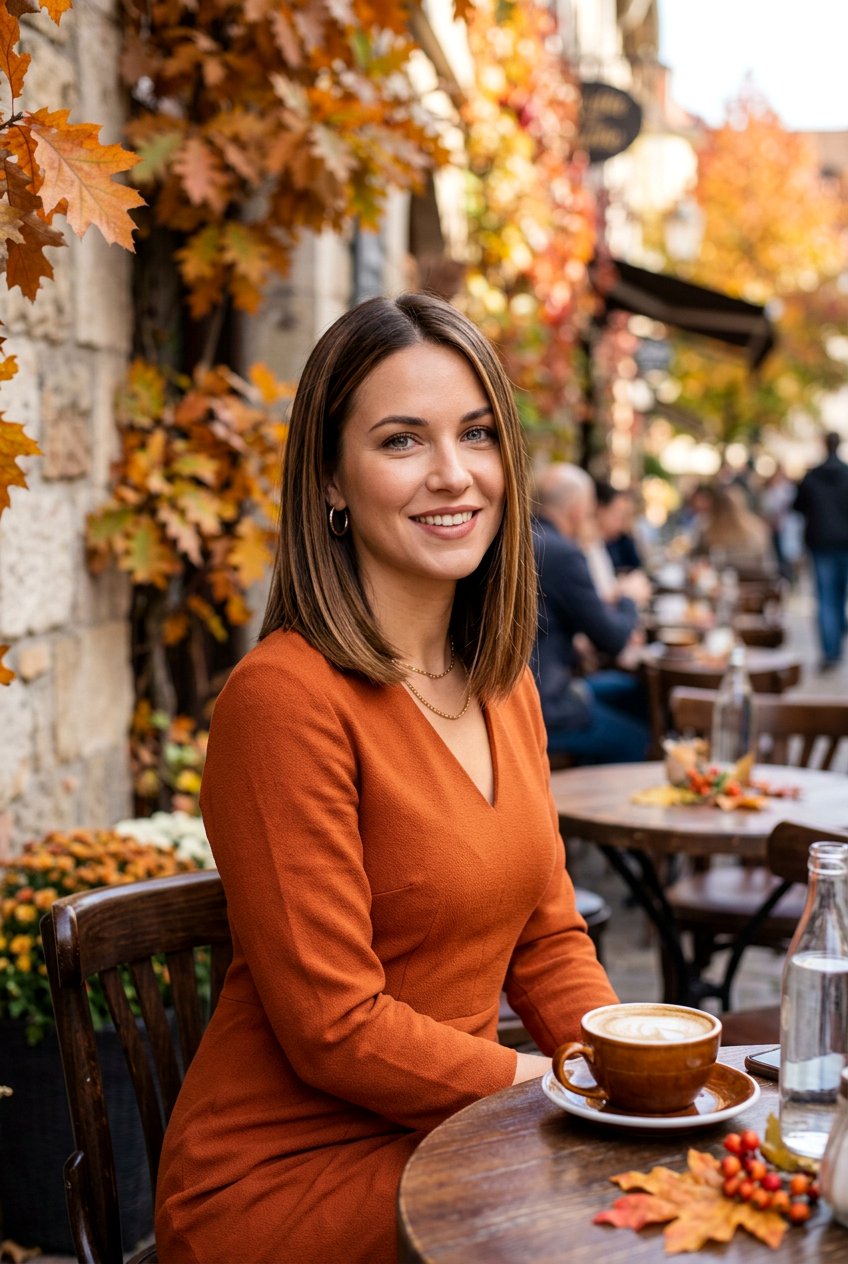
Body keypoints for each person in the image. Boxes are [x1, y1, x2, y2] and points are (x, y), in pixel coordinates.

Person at [154, 294, 617, 1264]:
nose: (452, 475)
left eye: (476, 434)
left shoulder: (501, 683)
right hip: (287, 1179)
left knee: (669, 1190)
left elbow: (546, 936)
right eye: (402, 441)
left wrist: (630, 1072)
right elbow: (333, 1024)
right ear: (331, 477)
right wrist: (553, 1088)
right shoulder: (283, 698)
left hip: (456, 1136)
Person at [531, 463, 651, 765]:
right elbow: (613, 638)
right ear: (576, 510)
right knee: (637, 739)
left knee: (632, 691)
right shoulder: (562, 553)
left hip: (537, 687)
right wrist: (629, 599)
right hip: (546, 702)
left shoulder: (527, 539)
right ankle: (587, 802)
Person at [794, 431, 848, 670]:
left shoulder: (812, 477)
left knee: (826, 598)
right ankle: (835, 641)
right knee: (837, 597)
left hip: (821, 543)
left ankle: (830, 652)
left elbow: (798, 507)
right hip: (842, 543)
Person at [595, 480, 643, 573]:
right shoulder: (591, 544)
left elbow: (636, 567)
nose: (623, 521)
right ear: (601, 510)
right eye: (618, 514)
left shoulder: (622, 541)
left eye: (627, 516)